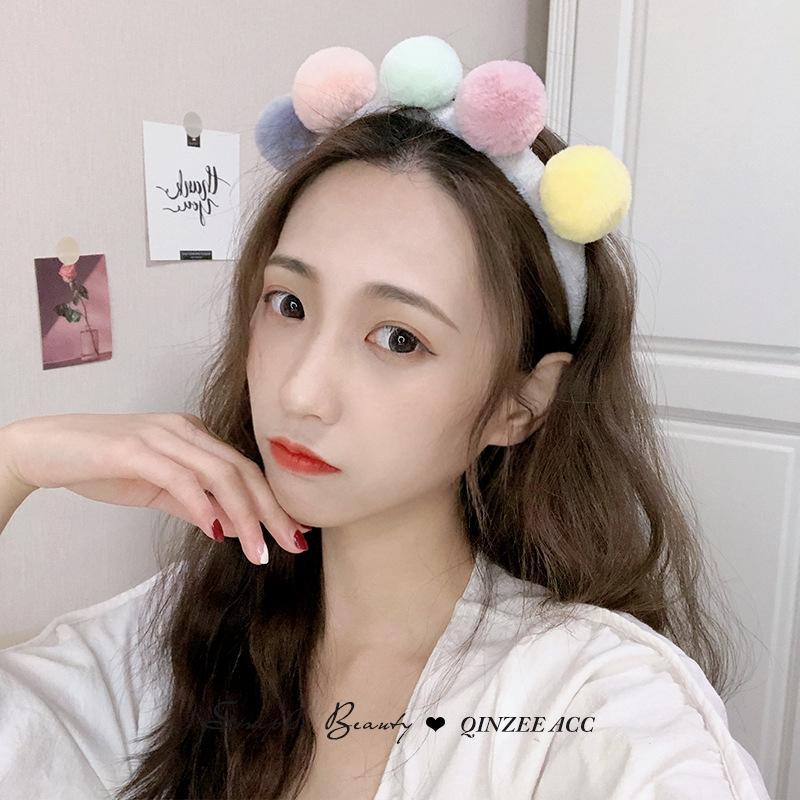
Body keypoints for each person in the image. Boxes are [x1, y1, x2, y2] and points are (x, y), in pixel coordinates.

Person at [0, 35, 772, 800]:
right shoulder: (170, 641)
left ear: (521, 403)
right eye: (289, 304)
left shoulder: (598, 704)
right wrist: (15, 461)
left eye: (399, 338)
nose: (302, 391)